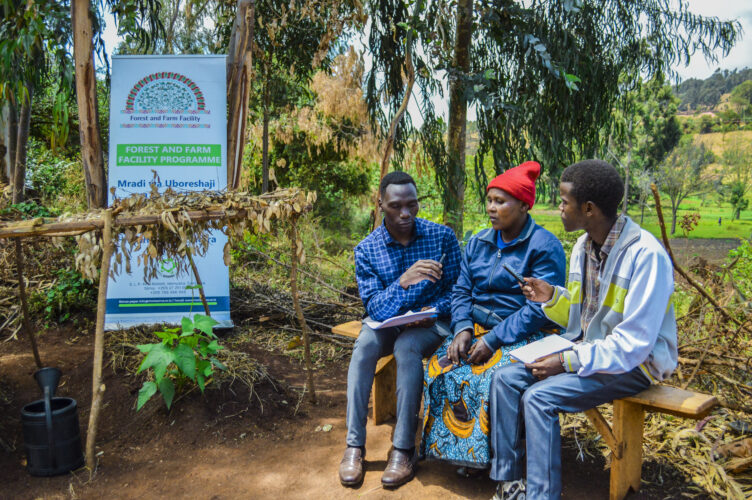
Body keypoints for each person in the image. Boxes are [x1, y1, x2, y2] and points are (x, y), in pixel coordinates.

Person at [489, 159, 678, 500]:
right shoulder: (582, 248)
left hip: (637, 364)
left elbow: (632, 345)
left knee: (539, 398)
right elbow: (582, 318)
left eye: (563, 201)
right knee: (505, 378)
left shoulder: (646, 256)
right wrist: (551, 297)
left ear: (588, 208)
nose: (558, 208)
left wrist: (565, 361)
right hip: (589, 349)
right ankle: (510, 482)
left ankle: (541, 495)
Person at [420, 161, 566, 472]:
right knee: (441, 366)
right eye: (489, 200)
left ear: (524, 205)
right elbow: (461, 290)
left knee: (487, 375)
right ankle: (461, 452)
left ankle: (492, 458)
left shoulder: (543, 246)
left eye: (500, 201)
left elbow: (538, 310)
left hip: (525, 334)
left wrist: (495, 340)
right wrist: (461, 330)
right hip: (476, 329)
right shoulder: (478, 242)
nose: (491, 208)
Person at [339, 171, 462, 489]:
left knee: (407, 348)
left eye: (412, 205)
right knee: (364, 347)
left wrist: (431, 310)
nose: (405, 213)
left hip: (429, 324)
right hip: (386, 324)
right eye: (395, 206)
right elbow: (376, 308)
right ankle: (354, 446)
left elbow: (458, 291)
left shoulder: (442, 238)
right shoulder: (367, 250)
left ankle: (404, 449)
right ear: (380, 204)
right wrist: (404, 281)